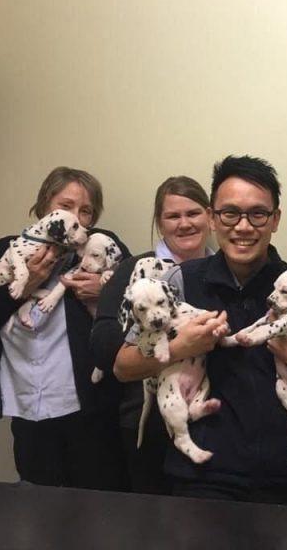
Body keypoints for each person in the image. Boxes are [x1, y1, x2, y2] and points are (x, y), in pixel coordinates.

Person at [113, 155, 287, 504]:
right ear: (213, 218)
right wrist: (181, 346)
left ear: (275, 220)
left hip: (282, 479)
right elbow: (123, 367)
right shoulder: (178, 282)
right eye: (230, 213)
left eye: (258, 214)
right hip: (199, 478)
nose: (243, 226)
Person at [0, 167, 129, 489]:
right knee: (38, 510)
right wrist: (23, 288)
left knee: (99, 511)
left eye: (87, 211)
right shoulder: (9, 250)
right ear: (44, 207)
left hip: (88, 406)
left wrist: (104, 292)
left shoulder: (99, 247)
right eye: (66, 206)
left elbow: (137, 304)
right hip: (28, 406)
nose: (77, 216)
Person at [91, 176, 213, 494]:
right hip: (149, 424)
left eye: (193, 213)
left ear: (210, 216)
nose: (184, 223)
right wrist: (175, 345)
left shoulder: (225, 270)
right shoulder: (136, 272)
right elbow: (105, 348)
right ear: (160, 223)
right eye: (173, 216)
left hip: (213, 420)